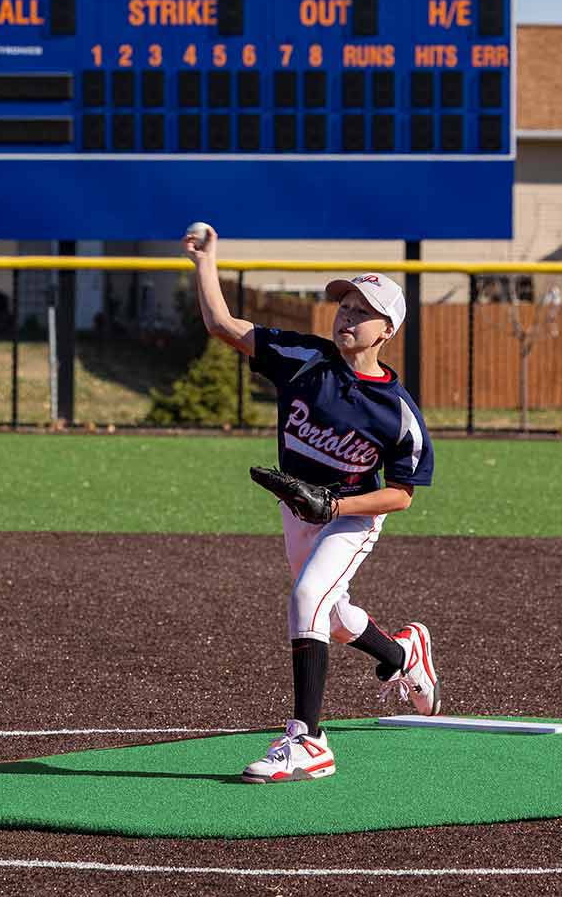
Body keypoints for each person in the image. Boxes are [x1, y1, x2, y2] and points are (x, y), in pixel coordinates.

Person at [183, 224, 438, 784]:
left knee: (306, 597)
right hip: (299, 509)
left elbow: (401, 494)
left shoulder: (397, 412)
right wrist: (207, 261)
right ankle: (402, 656)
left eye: (363, 309)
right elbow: (222, 325)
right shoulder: (304, 358)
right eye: (344, 304)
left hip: (353, 515)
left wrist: (335, 507)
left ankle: (309, 740)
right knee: (333, 613)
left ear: (387, 329)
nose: (347, 315)